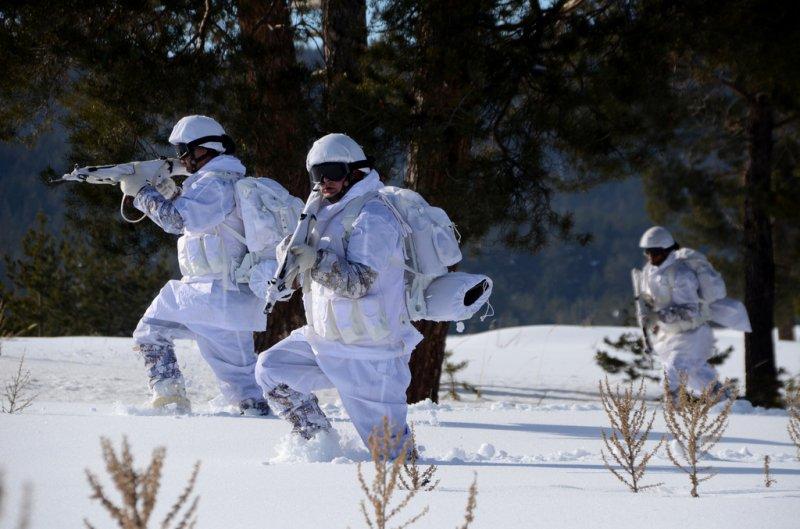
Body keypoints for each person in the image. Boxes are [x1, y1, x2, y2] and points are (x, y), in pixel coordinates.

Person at [252, 133, 422, 450]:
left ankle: (414, 491)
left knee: (391, 455)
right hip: (325, 341)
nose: (324, 182)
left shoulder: (375, 216)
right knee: (271, 370)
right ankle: (321, 446)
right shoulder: (323, 213)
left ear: (355, 170)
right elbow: (308, 273)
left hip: (369, 353)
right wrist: (288, 262)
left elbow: (359, 283)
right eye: (317, 174)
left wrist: (314, 261)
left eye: (332, 171)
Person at [118, 115, 272, 415]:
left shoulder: (213, 183)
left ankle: (169, 400)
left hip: (206, 293)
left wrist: (141, 192)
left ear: (208, 149)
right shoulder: (224, 181)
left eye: (187, 150)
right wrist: (167, 192)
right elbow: (201, 220)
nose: (182, 158)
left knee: (150, 332)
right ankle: (269, 428)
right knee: (243, 386)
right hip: (233, 300)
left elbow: (177, 221)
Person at [638, 226, 740, 398]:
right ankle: (728, 403)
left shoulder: (681, 274)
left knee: (671, 377)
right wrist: (655, 321)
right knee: (696, 374)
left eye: (655, 253)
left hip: (690, 334)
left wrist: (660, 316)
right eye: (648, 253)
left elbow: (690, 310)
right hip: (673, 334)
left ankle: (673, 416)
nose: (651, 257)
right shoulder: (654, 272)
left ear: (667, 251)